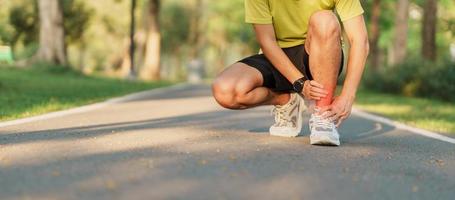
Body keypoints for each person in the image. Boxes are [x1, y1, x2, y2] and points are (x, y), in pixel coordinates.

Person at [212, 0, 369, 146]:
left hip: (319, 53)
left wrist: (348, 96)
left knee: (325, 19)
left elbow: (360, 40)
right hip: (276, 55)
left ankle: (323, 117)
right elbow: (267, 41)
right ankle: (287, 100)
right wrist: (299, 83)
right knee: (225, 90)